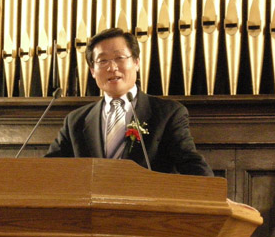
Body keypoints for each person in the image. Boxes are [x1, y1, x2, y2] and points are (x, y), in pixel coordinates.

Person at [46, 27, 213, 176]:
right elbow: (48, 169)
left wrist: (214, 194)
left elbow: (190, 162)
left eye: (119, 57)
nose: (112, 67)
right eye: (103, 61)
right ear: (92, 71)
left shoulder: (168, 113)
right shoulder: (75, 120)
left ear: (136, 62)